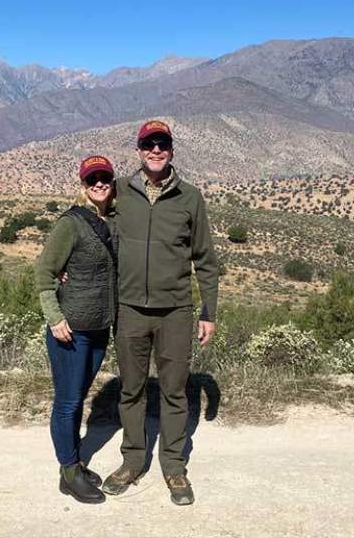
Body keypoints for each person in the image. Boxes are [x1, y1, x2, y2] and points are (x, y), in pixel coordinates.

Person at [102, 120, 219, 506]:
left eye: (162, 144)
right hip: (130, 309)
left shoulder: (190, 197)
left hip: (175, 312)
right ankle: (133, 461)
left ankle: (173, 466)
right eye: (148, 144)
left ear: (171, 149)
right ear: (138, 149)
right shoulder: (120, 191)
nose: (155, 150)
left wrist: (208, 311)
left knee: (174, 391)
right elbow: (90, 224)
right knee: (131, 390)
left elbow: (205, 259)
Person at [35, 155, 118, 505]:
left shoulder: (114, 221)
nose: (99, 184)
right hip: (70, 330)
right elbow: (43, 272)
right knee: (68, 402)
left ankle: (75, 463)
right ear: (82, 185)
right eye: (92, 179)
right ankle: (68, 472)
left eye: (105, 178)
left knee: (79, 396)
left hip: (99, 328)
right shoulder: (70, 224)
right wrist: (55, 318)